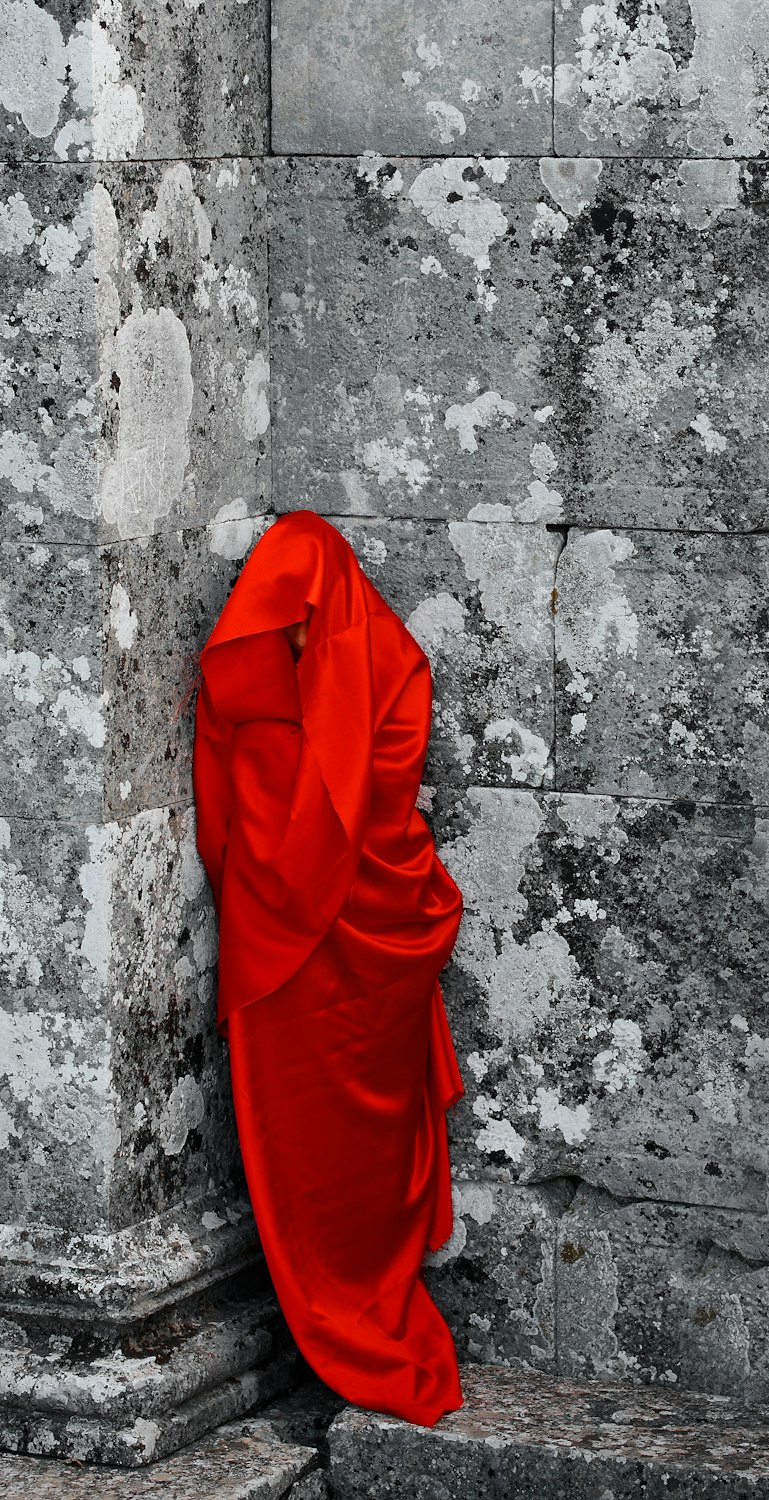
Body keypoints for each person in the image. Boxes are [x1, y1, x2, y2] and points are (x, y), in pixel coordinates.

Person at [192, 508, 465, 1426]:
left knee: (369, 1149)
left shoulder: (388, 663)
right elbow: (229, 826)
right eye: (277, 621)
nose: (292, 635)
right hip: (285, 966)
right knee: (299, 1147)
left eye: (303, 616)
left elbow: (375, 807)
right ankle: (327, 1307)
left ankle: (370, 1300)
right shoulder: (252, 690)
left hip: (367, 955)